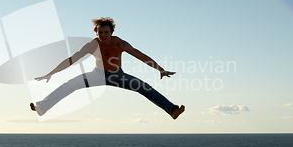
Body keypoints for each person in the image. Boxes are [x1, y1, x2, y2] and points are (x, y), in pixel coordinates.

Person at [30, 17, 185, 119]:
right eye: (100, 32)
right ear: (96, 32)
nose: (103, 35)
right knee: (69, 85)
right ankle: (42, 108)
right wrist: (50, 73)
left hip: (117, 75)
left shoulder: (120, 44)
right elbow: (72, 59)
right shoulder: (92, 44)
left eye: (106, 32)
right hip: (96, 74)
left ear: (111, 32)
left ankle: (172, 110)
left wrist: (160, 69)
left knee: (144, 87)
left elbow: (140, 55)